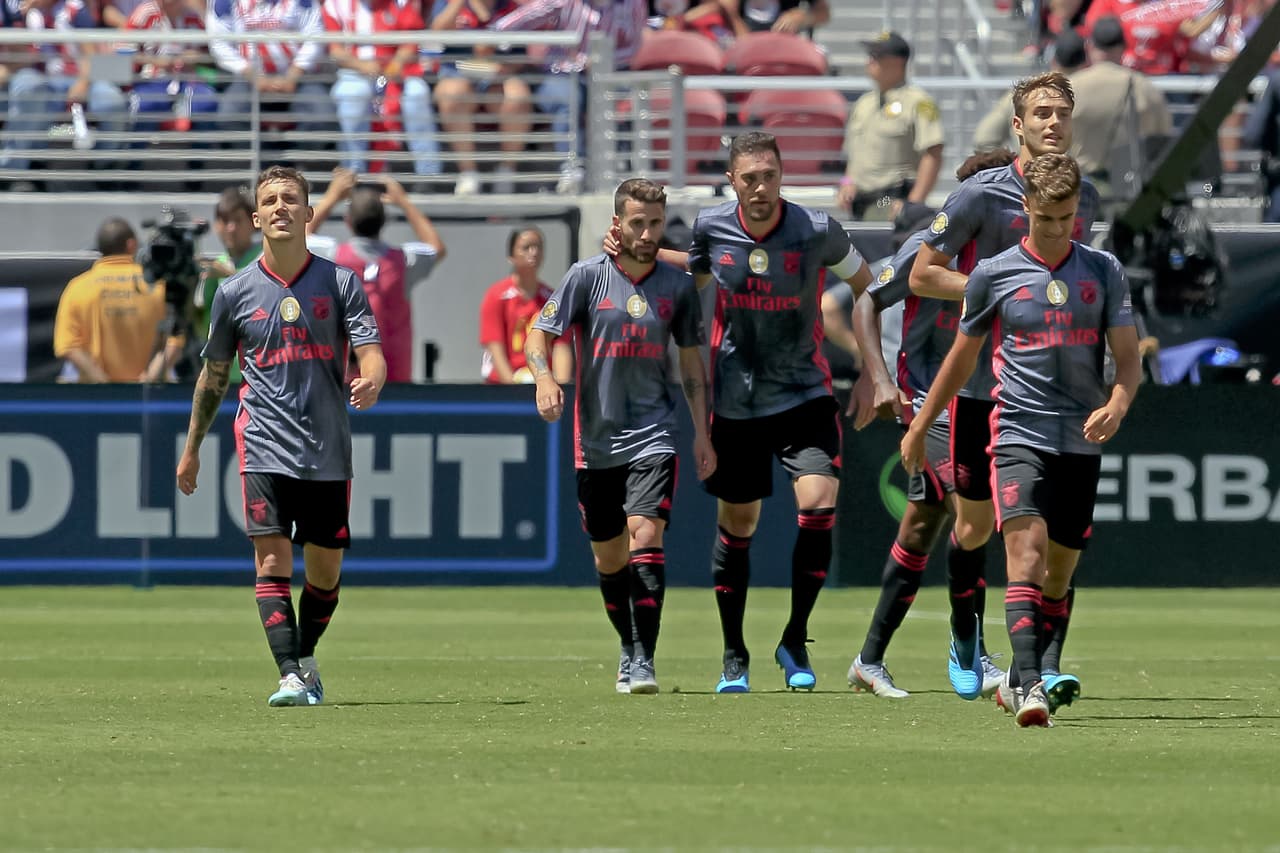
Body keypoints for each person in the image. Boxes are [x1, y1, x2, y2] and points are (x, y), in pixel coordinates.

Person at [901, 153, 1140, 726]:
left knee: (1059, 572)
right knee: (1023, 555)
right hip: (1017, 432)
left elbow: (1128, 362)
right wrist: (919, 423)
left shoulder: (1104, 270)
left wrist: (1117, 404)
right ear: (1027, 208)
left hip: (1079, 440)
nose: (1058, 229)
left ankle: (1024, 672)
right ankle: (1030, 686)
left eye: (1067, 218)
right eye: (1047, 218)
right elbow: (962, 361)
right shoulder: (993, 273)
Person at [648, 131, 873, 692]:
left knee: (819, 503)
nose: (761, 187)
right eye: (749, 177)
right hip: (737, 399)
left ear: (781, 176)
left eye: (770, 175)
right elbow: (695, 271)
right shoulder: (710, 226)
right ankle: (734, 653)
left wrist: (874, 370)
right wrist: (640, 250)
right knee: (739, 523)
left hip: (804, 392)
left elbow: (869, 287)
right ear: (733, 181)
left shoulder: (817, 230)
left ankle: (794, 639)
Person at [909, 70, 1101, 705]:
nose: (1052, 124)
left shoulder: (1085, 196)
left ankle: (1033, 671)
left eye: (1061, 115)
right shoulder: (980, 196)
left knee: (1042, 543)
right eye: (1040, 114)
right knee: (972, 529)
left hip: (1049, 395)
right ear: (1017, 126)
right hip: (978, 387)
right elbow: (921, 274)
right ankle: (967, 637)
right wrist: (1000, 291)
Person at [176, 165, 387, 707]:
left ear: (309, 213)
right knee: (271, 562)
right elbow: (215, 375)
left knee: (325, 572)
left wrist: (373, 378)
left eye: (291, 199)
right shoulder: (233, 292)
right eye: (270, 200)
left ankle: (307, 657)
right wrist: (194, 446)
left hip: (326, 449)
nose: (280, 208)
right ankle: (290, 672)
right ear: (256, 217)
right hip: (262, 443)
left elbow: (370, 352)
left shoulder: (340, 282)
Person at [525, 178, 714, 695]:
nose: (648, 233)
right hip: (596, 441)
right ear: (617, 225)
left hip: (654, 434)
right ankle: (629, 647)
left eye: (655, 223)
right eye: (638, 223)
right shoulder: (587, 276)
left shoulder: (676, 287)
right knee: (609, 559)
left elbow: (693, 366)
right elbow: (538, 332)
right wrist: (544, 377)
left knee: (646, 535)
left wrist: (703, 433)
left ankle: (644, 660)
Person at [845, 149, 1016, 700]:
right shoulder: (928, 253)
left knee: (923, 525)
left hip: (986, 396)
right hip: (931, 401)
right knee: (976, 515)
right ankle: (972, 646)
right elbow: (868, 301)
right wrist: (878, 378)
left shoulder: (1019, 259)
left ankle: (869, 659)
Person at [306, 167, 446, 383]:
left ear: (348, 221)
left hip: (343, 379)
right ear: (385, 221)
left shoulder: (332, 258)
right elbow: (436, 247)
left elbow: (300, 238)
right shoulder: (405, 261)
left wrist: (333, 196)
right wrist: (404, 203)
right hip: (395, 378)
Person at [492, 0, 648, 194]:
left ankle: (618, 170)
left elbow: (633, 47)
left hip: (611, 72)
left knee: (621, 101)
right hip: (563, 71)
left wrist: (603, 60)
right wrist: (497, 39)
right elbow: (511, 24)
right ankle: (571, 169)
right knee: (567, 100)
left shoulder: (632, 4)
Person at [322, 0, 442, 179]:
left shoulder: (401, 2)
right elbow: (336, 51)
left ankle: (428, 175)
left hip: (399, 71)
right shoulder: (335, 4)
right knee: (353, 94)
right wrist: (363, 66)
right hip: (353, 72)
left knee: (417, 93)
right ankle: (354, 175)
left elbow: (410, 42)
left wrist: (394, 66)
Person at [837, 32, 944, 223]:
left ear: (897, 62)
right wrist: (847, 183)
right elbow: (854, 154)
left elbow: (933, 153)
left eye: (876, 56)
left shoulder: (919, 102)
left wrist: (913, 204)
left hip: (891, 199)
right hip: (860, 201)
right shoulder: (864, 102)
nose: (869, 61)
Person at [53, 217, 174, 383]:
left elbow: (68, 346)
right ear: (131, 245)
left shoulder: (77, 288)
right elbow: (175, 340)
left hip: (96, 399)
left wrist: (102, 383)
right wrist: (149, 378)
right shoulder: (158, 286)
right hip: (151, 399)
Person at [430, 0, 529, 195]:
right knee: (452, 94)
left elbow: (520, 56)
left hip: (497, 77)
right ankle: (469, 174)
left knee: (518, 95)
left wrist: (503, 68)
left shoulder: (510, 6)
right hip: (457, 75)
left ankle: (506, 172)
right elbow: (435, 33)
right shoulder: (449, 3)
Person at [207, 0, 334, 143]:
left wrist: (293, 76)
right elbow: (218, 44)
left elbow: (315, 36)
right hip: (248, 78)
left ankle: (299, 160)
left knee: (323, 115)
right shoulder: (224, 3)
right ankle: (263, 162)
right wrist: (255, 77)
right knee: (229, 116)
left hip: (299, 77)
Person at [1068, 16, 1173, 187]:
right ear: (1124, 47)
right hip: (1131, 188)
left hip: (1080, 188)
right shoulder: (1145, 88)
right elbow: (1162, 137)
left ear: (1090, 46)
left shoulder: (1071, 88)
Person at [479, 225, 572, 384]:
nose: (533, 252)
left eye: (538, 247)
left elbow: (561, 347)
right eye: (526, 247)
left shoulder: (553, 300)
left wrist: (560, 387)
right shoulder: (496, 296)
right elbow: (495, 347)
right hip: (503, 386)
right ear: (511, 256)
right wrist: (512, 388)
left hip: (543, 383)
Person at [196, 186, 261, 383]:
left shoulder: (265, 257)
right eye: (225, 221)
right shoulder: (214, 268)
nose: (231, 228)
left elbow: (268, 293)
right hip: (220, 379)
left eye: (238, 220)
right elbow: (201, 323)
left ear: (253, 222)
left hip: (257, 379)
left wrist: (230, 275)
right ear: (216, 225)